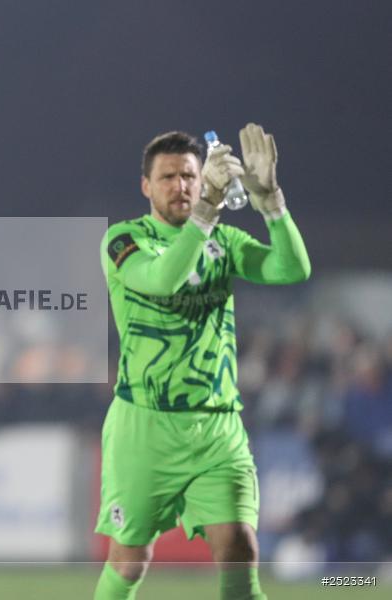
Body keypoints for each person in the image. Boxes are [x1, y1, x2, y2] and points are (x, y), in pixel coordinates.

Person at [94, 124, 311, 599]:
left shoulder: (224, 242)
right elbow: (164, 279)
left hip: (217, 427)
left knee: (239, 547)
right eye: (168, 176)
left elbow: (293, 268)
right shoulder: (124, 240)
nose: (182, 186)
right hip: (145, 426)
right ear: (146, 187)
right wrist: (208, 211)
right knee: (130, 560)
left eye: (190, 176)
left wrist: (271, 200)